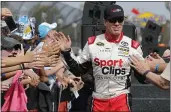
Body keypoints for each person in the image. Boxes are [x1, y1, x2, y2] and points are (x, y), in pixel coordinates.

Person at [57, 4, 145, 112]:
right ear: (105, 22)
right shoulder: (92, 43)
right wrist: (66, 52)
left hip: (121, 99)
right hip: (98, 100)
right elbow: (78, 70)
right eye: (113, 20)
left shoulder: (133, 46)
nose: (117, 23)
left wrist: (151, 67)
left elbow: (142, 78)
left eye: (120, 19)